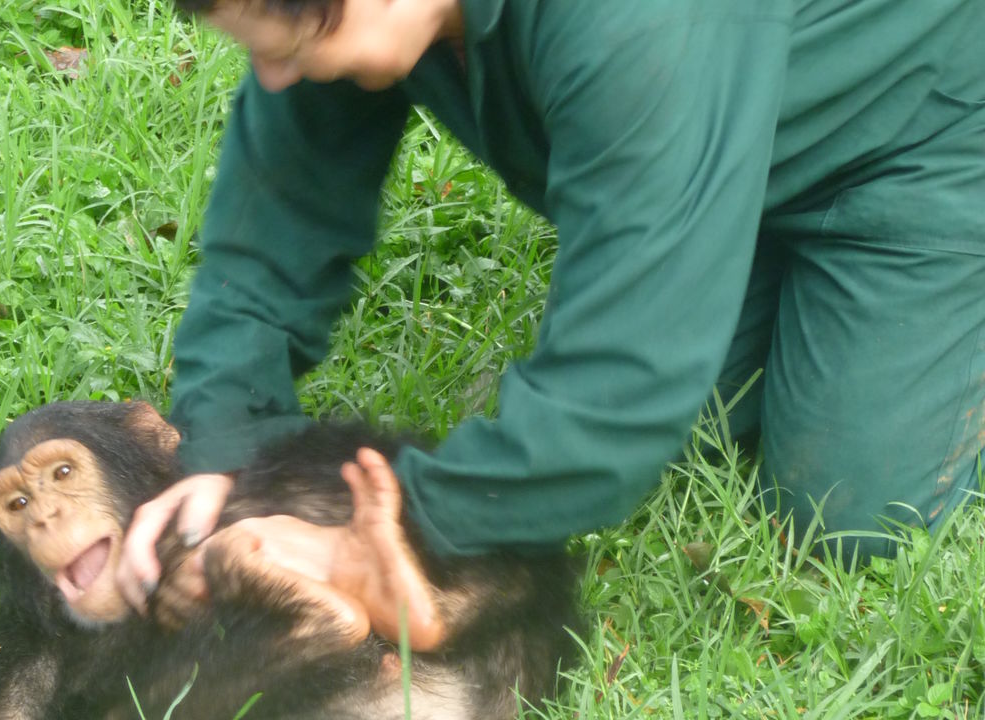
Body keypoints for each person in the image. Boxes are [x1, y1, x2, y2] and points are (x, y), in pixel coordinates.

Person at [115, 0, 985, 647]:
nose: (269, 72)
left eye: (292, 41)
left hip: (926, 144)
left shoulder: (634, 24)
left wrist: (389, 533)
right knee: (702, 410)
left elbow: (615, 401)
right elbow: (281, 205)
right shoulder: (350, 13)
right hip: (732, 138)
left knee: (852, 514)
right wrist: (232, 448)